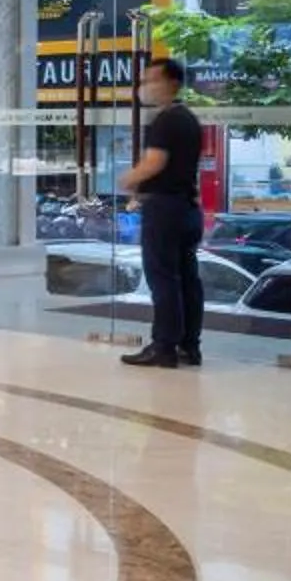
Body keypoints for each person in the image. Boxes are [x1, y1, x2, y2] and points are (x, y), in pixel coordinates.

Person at [118, 56, 204, 369]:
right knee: (187, 279)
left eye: (152, 80)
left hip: (165, 208)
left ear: (172, 83)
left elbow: (154, 163)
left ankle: (164, 346)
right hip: (188, 207)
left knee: (163, 277)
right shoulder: (189, 119)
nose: (146, 86)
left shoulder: (165, 121)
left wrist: (129, 179)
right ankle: (189, 346)